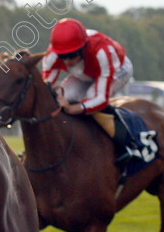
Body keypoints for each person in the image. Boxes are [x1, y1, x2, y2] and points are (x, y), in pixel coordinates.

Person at [42, 18, 142, 165]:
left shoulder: (102, 52)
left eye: (72, 55)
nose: (67, 61)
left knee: (90, 98)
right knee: (66, 96)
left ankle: (128, 145)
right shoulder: (52, 55)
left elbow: (101, 99)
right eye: (63, 56)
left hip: (118, 69)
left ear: (83, 48)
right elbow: (46, 87)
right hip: (85, 71)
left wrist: (72, 108)